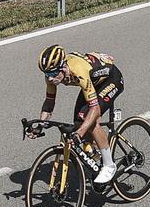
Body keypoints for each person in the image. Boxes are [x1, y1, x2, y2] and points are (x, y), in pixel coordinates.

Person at [33, 44, 125, 185]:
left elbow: (94, 109)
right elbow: (49, 103)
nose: (50, 79)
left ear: (63, 68)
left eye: (52, 74)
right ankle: (95, 151)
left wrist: (80, 133)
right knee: (79, 121)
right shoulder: (52, 75)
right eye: (46, 75)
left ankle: (109, 165)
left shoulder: (79, 71)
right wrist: (39, 125)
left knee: (91, 120)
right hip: (93, 83)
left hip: (111, 79)